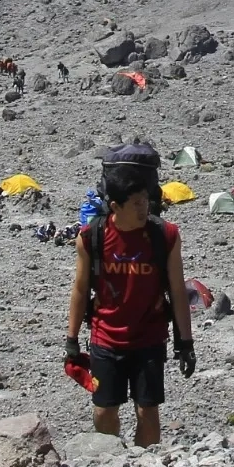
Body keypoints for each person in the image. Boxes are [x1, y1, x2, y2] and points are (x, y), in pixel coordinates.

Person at [65, 144, 196, 449]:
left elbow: (178, 290)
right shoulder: (91, 238)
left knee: (147, 410)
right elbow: (81, 289)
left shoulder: (166, 236)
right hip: (105, 337)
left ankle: (143, 464)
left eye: (146, 201)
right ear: (115, 207)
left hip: (149, 337)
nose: (144, 209)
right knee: (103, 409)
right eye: (136, 203)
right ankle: (111, 459)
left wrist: (185, 343)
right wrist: (72, 339)